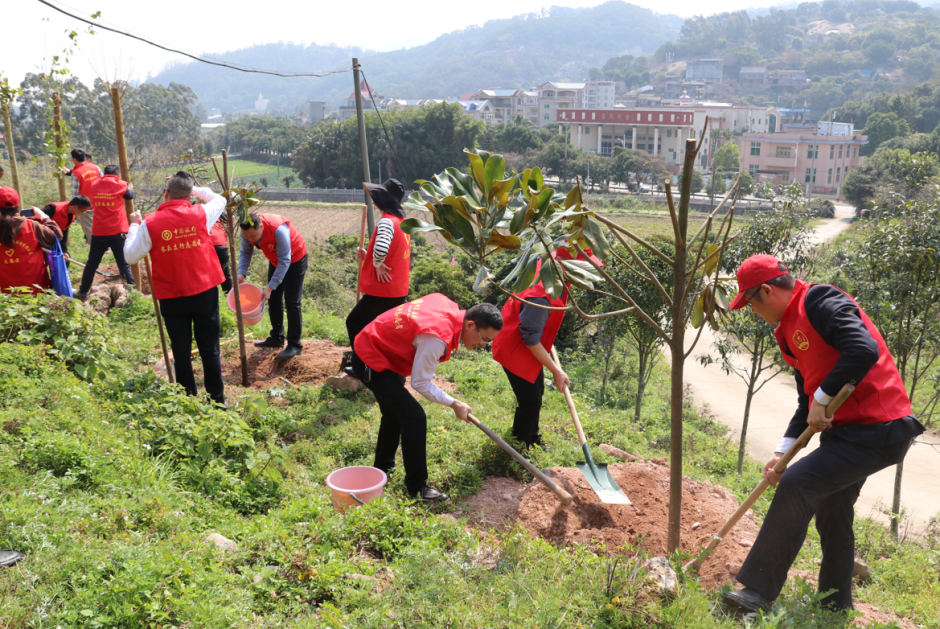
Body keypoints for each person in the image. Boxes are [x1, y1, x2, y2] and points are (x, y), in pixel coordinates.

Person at [721, 254, 924, 614]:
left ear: (766, 291)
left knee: (798, 484)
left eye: (750, 302)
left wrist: (823, 397)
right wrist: (783, 451)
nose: (751, 310)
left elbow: (863, 349)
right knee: (833, 509)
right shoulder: (785, 333)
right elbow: (807, 403)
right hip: (848, 433)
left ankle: (756, 593)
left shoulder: (819, 301)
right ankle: (835, 603)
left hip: (879, 426)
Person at [352, 294, 503, 502]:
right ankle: (417, 487)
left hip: (384, 347)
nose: (483, 345)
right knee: (414, 417)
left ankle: (382, 469)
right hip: (372, 357)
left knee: (395, 413)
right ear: (470, 325)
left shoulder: (447, 304)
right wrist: (454, 403)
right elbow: (420, 383)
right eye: (485, 339)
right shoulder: (436, 337)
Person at [124, 171, 227, 406]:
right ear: (190, 196)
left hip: (172, 296)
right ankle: (218, 402)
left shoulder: (149, 223)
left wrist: (133, 226)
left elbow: (131, 256)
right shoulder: (201, 213)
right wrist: (194, 189)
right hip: (204, 291)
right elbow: (218, 198)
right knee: (209, 349)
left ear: (165, 193)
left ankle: (188, 401)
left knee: (181, 351)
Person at [491, 247, 600, 449]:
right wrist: (556, 371)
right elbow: (530, 338)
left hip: (529, 343)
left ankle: (533, 436)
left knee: (537, 391)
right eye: (582, 267)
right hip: (515, 347)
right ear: (568, 265)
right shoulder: (539, 297)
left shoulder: (551, 266)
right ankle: (520, 447)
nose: (585, 273)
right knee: (530, 400)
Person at [345, 179, 410, 372]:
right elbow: (394, 252)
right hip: (397, 290)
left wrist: (377, 262)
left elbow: (382, 248)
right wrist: (369, 257)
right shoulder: (402, 223)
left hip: (383, 290)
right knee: (383, 330)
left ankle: (362, 366)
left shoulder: (386, 222)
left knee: (355, 322)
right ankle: (384, 368)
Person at [237, 212, 308, 361]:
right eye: (247, 237)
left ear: (261, 226)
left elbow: (285, 260)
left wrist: (270, 287)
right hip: (276, 260)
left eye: (253, 236)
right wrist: (241, 273)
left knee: (292, 302)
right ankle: (277, 338)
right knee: (274, 299)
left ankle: (295, 345)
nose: (250, 239)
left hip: (294, 258)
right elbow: (245, 251)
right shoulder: (247, 232)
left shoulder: (278, 230)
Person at [77, 166, 136, 299]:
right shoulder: (121, 184)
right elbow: (130, 196)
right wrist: (129, 187)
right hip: (117, 231)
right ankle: (133, 293)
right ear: (117, 174)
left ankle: (82, 291)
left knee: (92, 263)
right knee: (123, 264)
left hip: (99, 231)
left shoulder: (94, 184)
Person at [0, 186, 63, 294]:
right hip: (35, 290)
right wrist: (44, 216)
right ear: (18, 207)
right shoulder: (32, 226)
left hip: (5, 295)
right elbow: (56, 237)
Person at [60, 149, 101, 243]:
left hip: (86, 206)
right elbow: (103, 181)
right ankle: (106, 247)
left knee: (89, 230)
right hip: (99, 203)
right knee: (100, 226)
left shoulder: (76, 173)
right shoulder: (95, 167)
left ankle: (98, 249)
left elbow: (75, 195)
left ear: (74, 159)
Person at [38, 195, 91, 261]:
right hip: (39, 239)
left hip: (53, 239)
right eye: (82, 211)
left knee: (65, 259)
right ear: (75, 207)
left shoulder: (72, 214)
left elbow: (64, 231)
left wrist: (64, 251)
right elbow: (33, 218)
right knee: (44, 260)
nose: (82, 213)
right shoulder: (53, 209)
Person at [209, 217, 233, 294]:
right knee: (225, 273)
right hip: (220, 244)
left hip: (208, 246)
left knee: (209, 275)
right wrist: (226, 233)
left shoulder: (196, 212)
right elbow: (231, 217)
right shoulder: (216, 210)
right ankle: (230, 297)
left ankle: (213, 299)